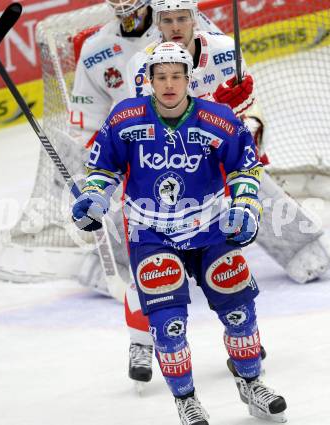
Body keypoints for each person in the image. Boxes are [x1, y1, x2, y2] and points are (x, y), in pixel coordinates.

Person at [121, 0, 330, 388]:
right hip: (175, 176)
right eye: (167, 19)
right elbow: (154, 122)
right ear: (158, 22)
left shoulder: (224, 51)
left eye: (182, 18)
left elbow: (253, 119)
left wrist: (244, 116)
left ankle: (243, 342)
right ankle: (148, 339)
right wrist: (221, 109)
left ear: (194, 18)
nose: (175, 26)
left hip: (222, 167)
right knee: (157, 265)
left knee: (228, 262)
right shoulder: (144, 64)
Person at [72, 42, 287, 424]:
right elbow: (104, 169)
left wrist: (245, 206)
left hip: (210, 229)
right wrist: (93, 198)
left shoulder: (216, 118)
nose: (169, 84)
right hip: (152, 233)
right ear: (149, 81)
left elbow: (245, 167)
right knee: (169, 328)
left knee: (240, 312)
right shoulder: (126, 118)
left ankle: (252, 385)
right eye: (161, 77)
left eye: (176, 76)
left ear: (189, 79)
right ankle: (186, 401)